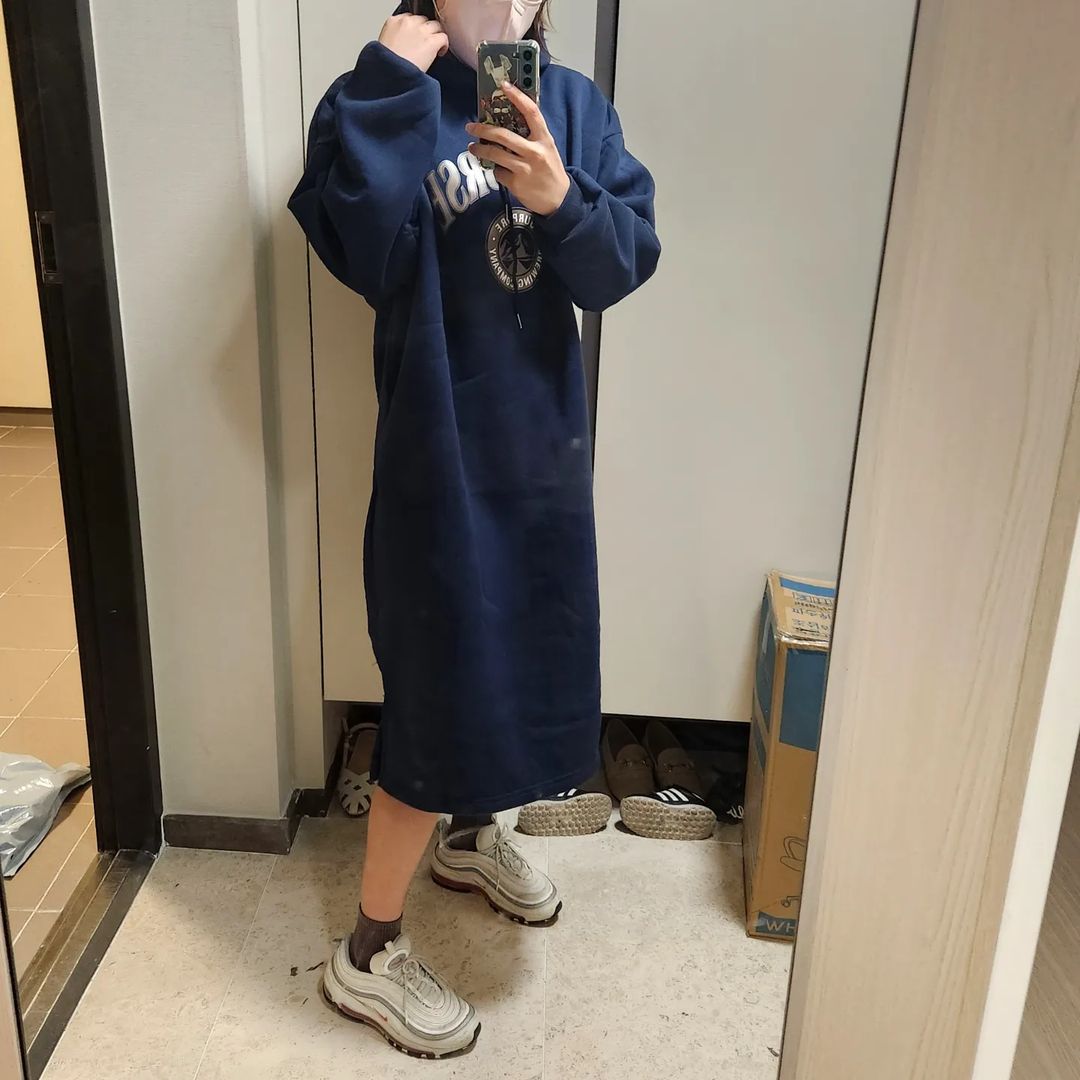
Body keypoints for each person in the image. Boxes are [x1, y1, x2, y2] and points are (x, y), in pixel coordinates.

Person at [289, 0, 659, 1059]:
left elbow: (621, 266)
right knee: (441, 683)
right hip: (436, 455)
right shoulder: (379, 91)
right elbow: (358, 250)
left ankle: (467, 838)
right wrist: (388, 93)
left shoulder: (574, 106)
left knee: (526, 659)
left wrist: (562, 202)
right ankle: (367, 952)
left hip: (543, 454)